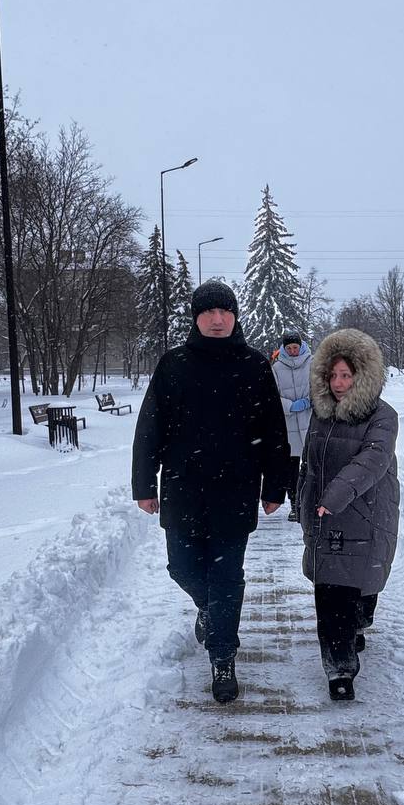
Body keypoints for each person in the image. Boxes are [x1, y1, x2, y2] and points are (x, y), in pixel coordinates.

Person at [132, 280, 291, 703]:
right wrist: (144, 484)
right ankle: (211, 609)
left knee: (226, 577)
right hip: (184, 488)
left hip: (235, 492)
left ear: (235, 317)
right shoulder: (173, 364)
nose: (217, 319)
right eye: (208, 311)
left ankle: (223, 656)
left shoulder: (254, 365)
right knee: (182, 567)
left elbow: (274, 432)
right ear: (196, 318)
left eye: (225, 311)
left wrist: (275, 486)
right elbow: (149, 428)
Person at [298, 328, 400, 701]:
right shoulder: (321, 413)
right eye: (333, 375)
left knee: (360, 588)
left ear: (363, 375)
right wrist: (303, 497)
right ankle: (339, 669)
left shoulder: (383, 416)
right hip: (325, 515)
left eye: (346, 375)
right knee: (331, 594)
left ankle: (359, 622)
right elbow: (309, 462)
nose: (339, 383)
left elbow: (373, 459)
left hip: (365, 513)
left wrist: (336, 495)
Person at [271, 331, 313, 523]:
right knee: (292, 469)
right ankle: (295, 504)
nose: (293, 351)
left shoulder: (313, 363)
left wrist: (310, 401)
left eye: (295, 347)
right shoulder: (277, 368)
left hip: (310, 420)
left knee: (313, 463)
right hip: (288, 425)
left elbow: (320, 387)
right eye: (289, 348)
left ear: (301, 346)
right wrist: (289, 406)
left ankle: (312, 502)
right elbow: (271, 396)